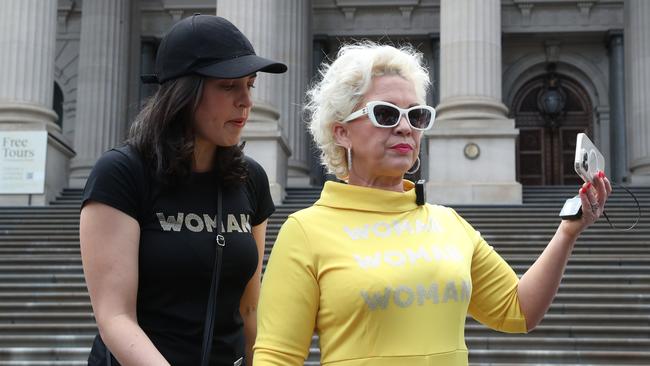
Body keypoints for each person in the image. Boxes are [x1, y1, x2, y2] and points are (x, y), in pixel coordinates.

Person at [253, 42, 611, 366]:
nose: (405, 127)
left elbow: (518, 310)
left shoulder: (448, 222)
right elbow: (276, 357)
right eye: (386, 114)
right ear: (341, 131)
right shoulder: (305, 231)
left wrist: (568, 231)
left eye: (416, 115)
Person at [80, 14, 286, 366]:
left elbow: (250, 309)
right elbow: (115, 318)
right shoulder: (121, 173)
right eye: (228, 86)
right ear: (184, 93)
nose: (246, 101)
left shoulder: (250, 178)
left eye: (249, 85)